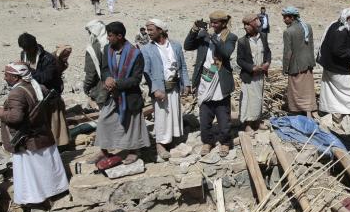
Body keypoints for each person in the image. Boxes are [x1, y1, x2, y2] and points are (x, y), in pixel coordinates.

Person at [0, 63, 68, 206]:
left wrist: (0, 113)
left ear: (15, 77)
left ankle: (37, 199)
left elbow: (16, 117)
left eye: (7, 75)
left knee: (33, 174)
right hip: (43, 135)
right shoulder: (38, 87)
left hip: (28, 140)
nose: (4, 77)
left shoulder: (17, 93)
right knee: (47, 168)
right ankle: (54, 191)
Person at [85, 21, 149, 165]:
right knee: (103, 121)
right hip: (112, 95)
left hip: (130, 96)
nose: (108, 38)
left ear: (119, 36)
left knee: (131, 125)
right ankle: (103, 150)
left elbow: (136, 79)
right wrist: (107, 78)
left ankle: (134, 151)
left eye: (110, 35)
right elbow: (105, 68)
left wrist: (117, 83)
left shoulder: (135, 53)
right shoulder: (108, 49)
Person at [186, 11, 237, 157]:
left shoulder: (230, 37)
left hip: (220, 81)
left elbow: (226, 53)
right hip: (205, 79)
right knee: (205, 116)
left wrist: (213, 37)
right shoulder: (203, 35)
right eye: (211, 22)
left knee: (223, 117)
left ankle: (225, 143)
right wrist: (195, 29)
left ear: (223, 23)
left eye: (216, 23)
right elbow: (188, 46)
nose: (212, 25)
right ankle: (207, 141)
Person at [142, 19, 189, 161]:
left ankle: (172, 139)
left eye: (151, 30)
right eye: (147, 30)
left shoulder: (175, 45)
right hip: (159, 88)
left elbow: (183, 66)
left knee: (174, 113)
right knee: (162, 116)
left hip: (174, 86)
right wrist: (155, 89)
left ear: (161, 30)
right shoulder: (147, 49)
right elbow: (146, 72)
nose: (148, 33)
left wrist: (186, 84)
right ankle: (160, 144)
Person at [18, 32, 70, 149]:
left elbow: (46, 77)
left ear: (35, 45)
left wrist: (28, 70)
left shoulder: (48, 58)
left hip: (49, 95)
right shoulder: (24, 55)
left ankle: (58, 147)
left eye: (28, 48)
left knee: (54, 126)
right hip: (34, 95)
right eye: (24, 49)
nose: (27, 51)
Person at [317, 8, 350, 134]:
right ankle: (349, 111)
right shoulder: (341, 32)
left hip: (330, 65)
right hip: (337, 67)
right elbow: (338, 51)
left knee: (331, 90)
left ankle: (333, 110)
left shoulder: (335, 25)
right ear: (345, 18)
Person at [237, 14, 271, 134]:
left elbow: (268, 52)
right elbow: (239, 60)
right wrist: (252, 67)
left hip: (260, 75)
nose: (246, 27)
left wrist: (267, 63)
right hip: (249, 76)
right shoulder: (242, 41)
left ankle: (257, 121)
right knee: (248, 100)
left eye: (248, 25)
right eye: (244, 25)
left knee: (259, 99)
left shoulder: (263, 36)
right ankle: (248, 125)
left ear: (254, 26)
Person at [281, 6, 316, 117]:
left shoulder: (288, 32)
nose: (284, 20)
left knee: (296, 91)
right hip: (308, 64)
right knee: (307, 90)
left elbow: (288, 52)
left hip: (296, 67)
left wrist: (285, 68)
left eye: (285, 17)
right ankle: (309, 111)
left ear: (291, 17)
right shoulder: (308, 27)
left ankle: (296, 112)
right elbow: (311, 46)